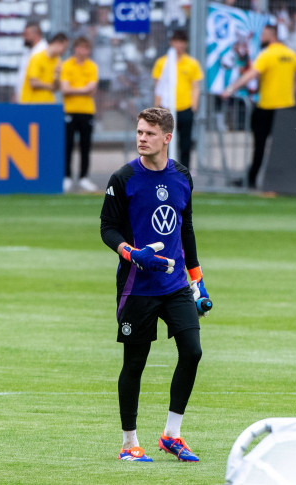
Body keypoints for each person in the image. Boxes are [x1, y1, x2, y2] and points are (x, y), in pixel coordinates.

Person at [99, 107, 209, 464]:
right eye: (139, 132)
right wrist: (133, 254)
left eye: (149, 133)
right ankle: (129, 443)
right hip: (138, 286)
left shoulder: (182, 176)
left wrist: (198, 282)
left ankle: (172, 435)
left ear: (167, 138)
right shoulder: (123, 177)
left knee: (192, 351)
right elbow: (107, 229)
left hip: (175, 284)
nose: (141, 138)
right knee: (135, 363)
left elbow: (185, 229)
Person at [221, 24, 296, 189]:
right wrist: (294, 90)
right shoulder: (289, 53)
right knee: (283, 147)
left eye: (264, 35)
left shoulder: (267, 54)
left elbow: (251, 74)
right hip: (286, 106)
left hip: (267, 106)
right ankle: (281, 181)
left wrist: (231, 89)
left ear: (271, 35)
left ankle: (252, 179)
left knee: (259, 145)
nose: (261, 38)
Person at [152, 29, 203, 169]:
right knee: (165, 142)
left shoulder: (191, 63)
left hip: (185, 107)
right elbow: (158, 87)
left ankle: (184, 170)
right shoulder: (162, 63)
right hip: (166, 109)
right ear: (171, 43)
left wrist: (194, 106)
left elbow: (195, 87)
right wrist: (157, 108)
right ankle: (165, 169)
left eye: (182, 42)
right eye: (177, 42)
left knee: (185, 142)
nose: (179, 45)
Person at [60, 36, 99, 193]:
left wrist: (74, 89)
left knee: (85, 145)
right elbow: (64, 89)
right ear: (75, 48)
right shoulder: (67, 65)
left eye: (86, 48)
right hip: (69, 110)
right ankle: (67, 177)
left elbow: (92, 89)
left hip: (87, 111)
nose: (83, 51)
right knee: (67, 145)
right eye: (80, 48)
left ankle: (84, 177)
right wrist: (83, 89)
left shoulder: (92, 66)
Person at [18, 32, 67, 104]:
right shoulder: (37, 58)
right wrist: (50, 86)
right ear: (58, 43)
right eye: (64, 48)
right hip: (31, 103)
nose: (64, 51)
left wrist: (57, 76)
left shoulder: (58, 61)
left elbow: (56, 87)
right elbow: (33, 82)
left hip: (48, 103)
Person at [15, 21, 47, 103]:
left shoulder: (44, 52)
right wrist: (17, 93)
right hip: (24, 98)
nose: (24, 37)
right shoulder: (28, 51)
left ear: (36, 35)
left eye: (26, 34)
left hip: (37, 100)